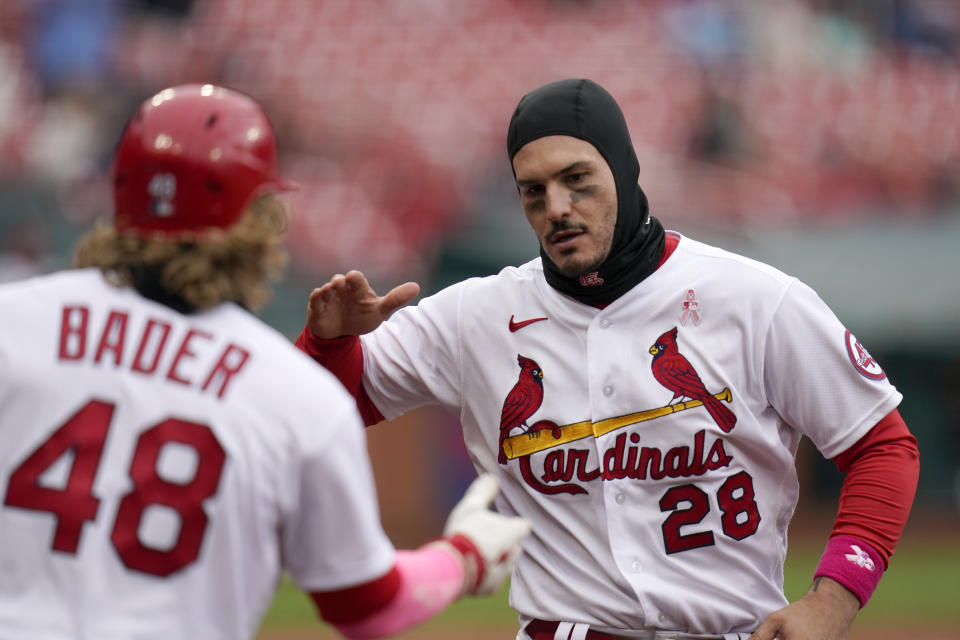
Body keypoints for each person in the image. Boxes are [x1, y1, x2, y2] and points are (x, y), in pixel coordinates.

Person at [295, 78, 920, 640]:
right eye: (533, 191)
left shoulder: (755, 299)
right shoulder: (475, 316)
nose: (557, 207)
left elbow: (882, 444)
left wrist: (835, 598)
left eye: (577, 180)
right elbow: (323, 411)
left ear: (623, 171)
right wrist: (328, 344)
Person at [0, 83, 531, 640]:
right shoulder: (290, 390)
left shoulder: (14, 321)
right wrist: (463, 557)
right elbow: (368, 606)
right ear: (257, 218)